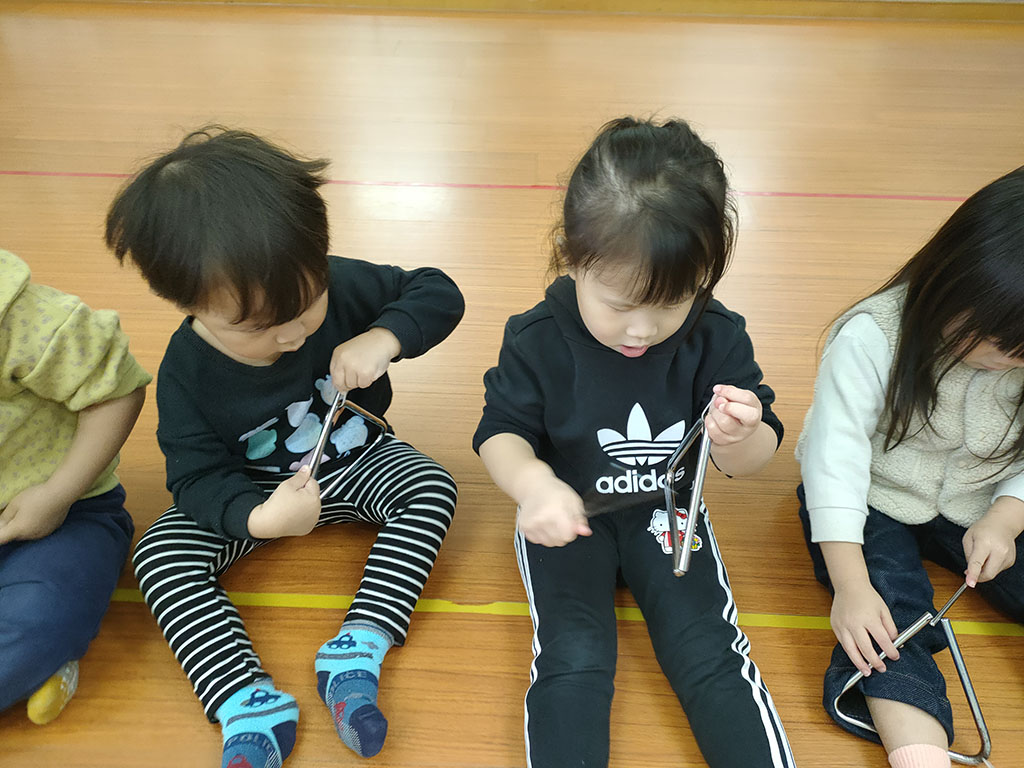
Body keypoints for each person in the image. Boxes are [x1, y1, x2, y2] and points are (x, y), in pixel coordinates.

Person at [106, 127, 464, 766]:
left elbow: (437, 291)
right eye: (260, 327)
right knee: (159, 556)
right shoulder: (186, 372)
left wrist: (384, 337)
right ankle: (245, 701)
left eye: (309, 302)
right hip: (256, 492)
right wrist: (258, 518)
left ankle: (359, 646)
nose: (297, 333)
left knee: (432, 486)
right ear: (189, 305)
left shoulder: (332, 280)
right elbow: (195, 477)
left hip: (356, 459)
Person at [473, 117, 795, 768]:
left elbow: (753, 457)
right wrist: (535, 486)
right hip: (570, 515)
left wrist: (740, 435)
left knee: (709, 652)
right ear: (571, 257)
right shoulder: (536, 337)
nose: (642, 330)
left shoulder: (717, 333)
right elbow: (500, 433)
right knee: (574, 656)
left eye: (673, 302)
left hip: (667, 514)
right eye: (620, 304)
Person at [795, 166, 1024, 768]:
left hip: (981, 500)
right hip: (870, 501)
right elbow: (834, 463)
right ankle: (920, 754)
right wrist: (850, 585)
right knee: (885, 617)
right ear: (952, 281)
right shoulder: (873, 337)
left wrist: (1006, 516)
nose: (1008, 362)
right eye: (998, 344)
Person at [0, 248, 150, 725]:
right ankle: (35, 668)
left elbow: (118, 386)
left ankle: (40, 654)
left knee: (41, 617)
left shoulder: (20, 318)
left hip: (64, 515)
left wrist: (56, 495)